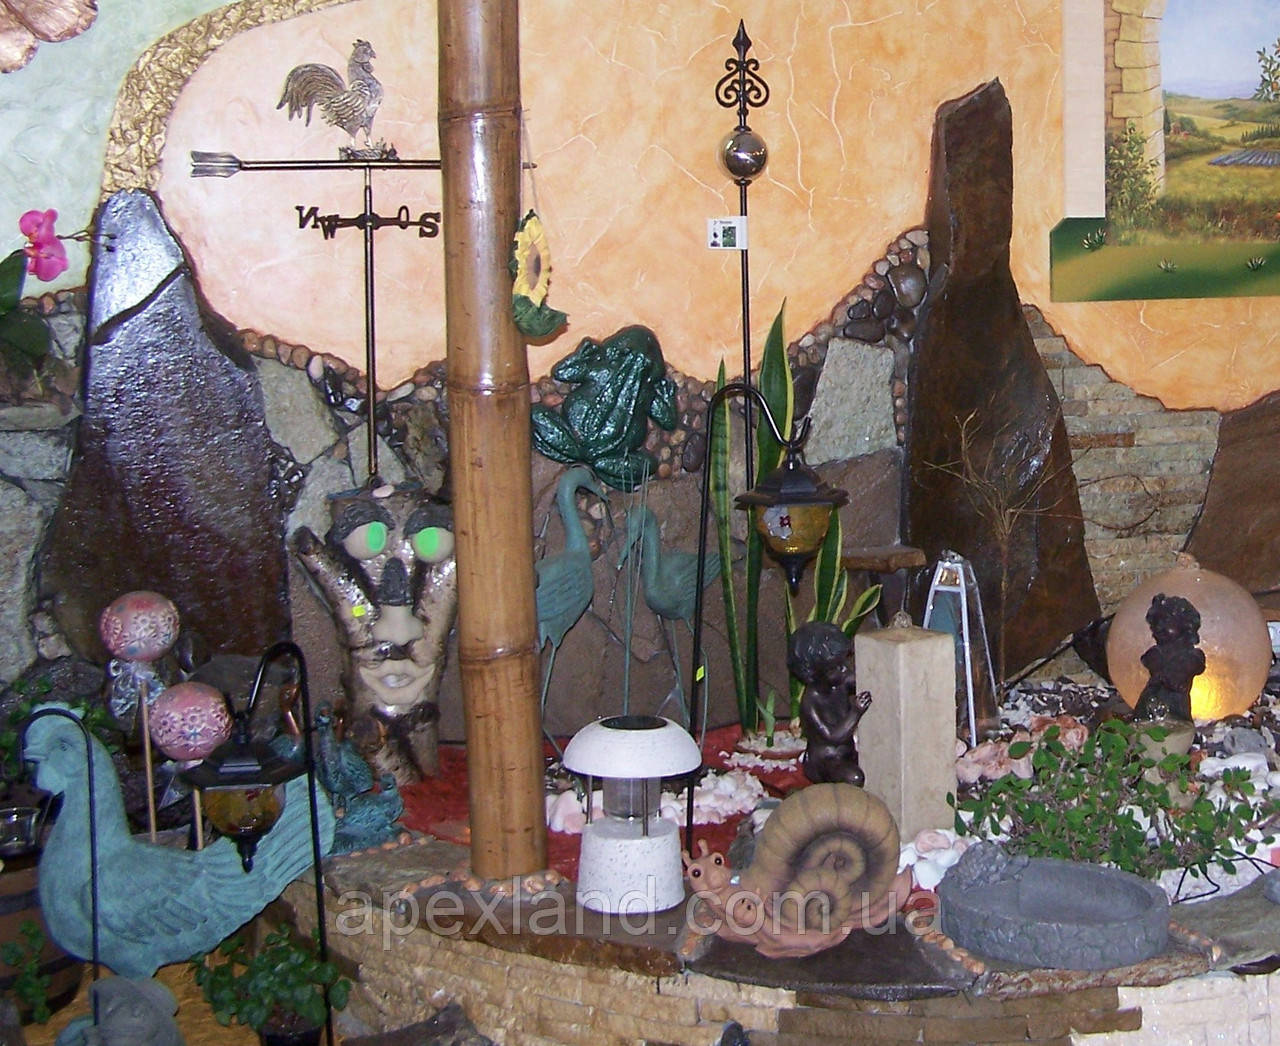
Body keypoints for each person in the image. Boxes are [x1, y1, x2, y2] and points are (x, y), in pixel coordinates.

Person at [788, 621, 872, 786]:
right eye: (835, 668)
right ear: (813, 673)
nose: (844, 670)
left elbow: (865, 680)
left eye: (843, 663)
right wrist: (855, 712)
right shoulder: (811, 701)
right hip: (825, 761)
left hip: (848, 753)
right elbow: (833, 736)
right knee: (854, 778)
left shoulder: (840, 681)